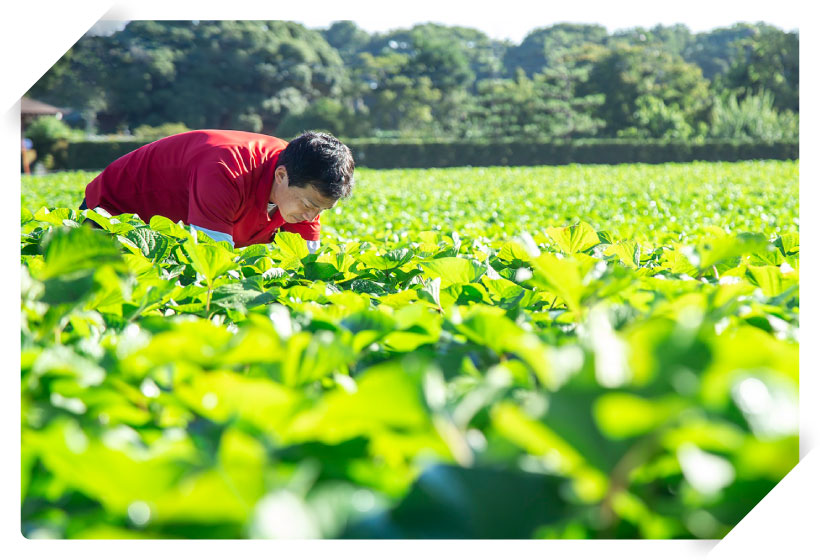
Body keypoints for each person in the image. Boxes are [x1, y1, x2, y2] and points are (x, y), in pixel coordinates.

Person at [80, 129, 355, 252]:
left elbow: (306, 261)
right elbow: (213, 260)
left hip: (176, 222)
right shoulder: (226, 169)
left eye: (321, 209)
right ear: (281, 175)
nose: (312, 216)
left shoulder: (307, 182)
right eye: (310, 205)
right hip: (113, 211)